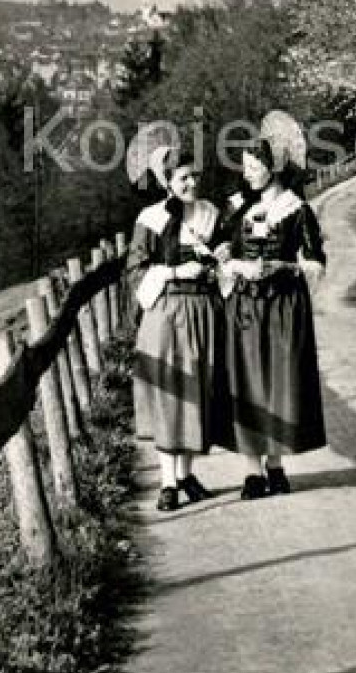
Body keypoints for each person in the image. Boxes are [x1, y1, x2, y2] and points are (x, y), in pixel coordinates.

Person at [213, 139, 328, 498]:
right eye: (244, 168)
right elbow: (219, 249)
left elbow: (316, 263)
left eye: (253, 167)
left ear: (272, 167)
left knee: (279, 380)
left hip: (283, 305)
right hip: (245, 304)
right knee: (246, 382)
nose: (247, 175)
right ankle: (251, 471)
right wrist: (235, 264)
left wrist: (284, 266)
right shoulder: (235, 208)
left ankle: (275, 465)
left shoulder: (296, 209)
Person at [127, 146, 224, 512]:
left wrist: (214, 266)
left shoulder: (210, 214)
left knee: (198, 391)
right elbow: (136, 271)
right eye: (183, 178)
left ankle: (185, 474)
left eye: (194, 175)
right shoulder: (150, 219)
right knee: (170, 392)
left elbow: (225, 258)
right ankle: (168, 482)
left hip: (202, 311)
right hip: (166, 312)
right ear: (167, 183)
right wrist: (173, 272)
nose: (191, 182)